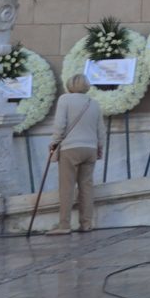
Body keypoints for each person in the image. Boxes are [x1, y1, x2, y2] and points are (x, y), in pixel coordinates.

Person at [50, 72, 103, 233]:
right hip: (90, 149)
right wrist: (100, 147)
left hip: (70, 148)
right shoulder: (93, 103)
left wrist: (54, 142)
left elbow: (60, 124)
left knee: (67, 187)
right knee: (86, 187)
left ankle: (64, 225)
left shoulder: (65, 100)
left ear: (69, 85)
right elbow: (101, 129)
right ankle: (86, 223)